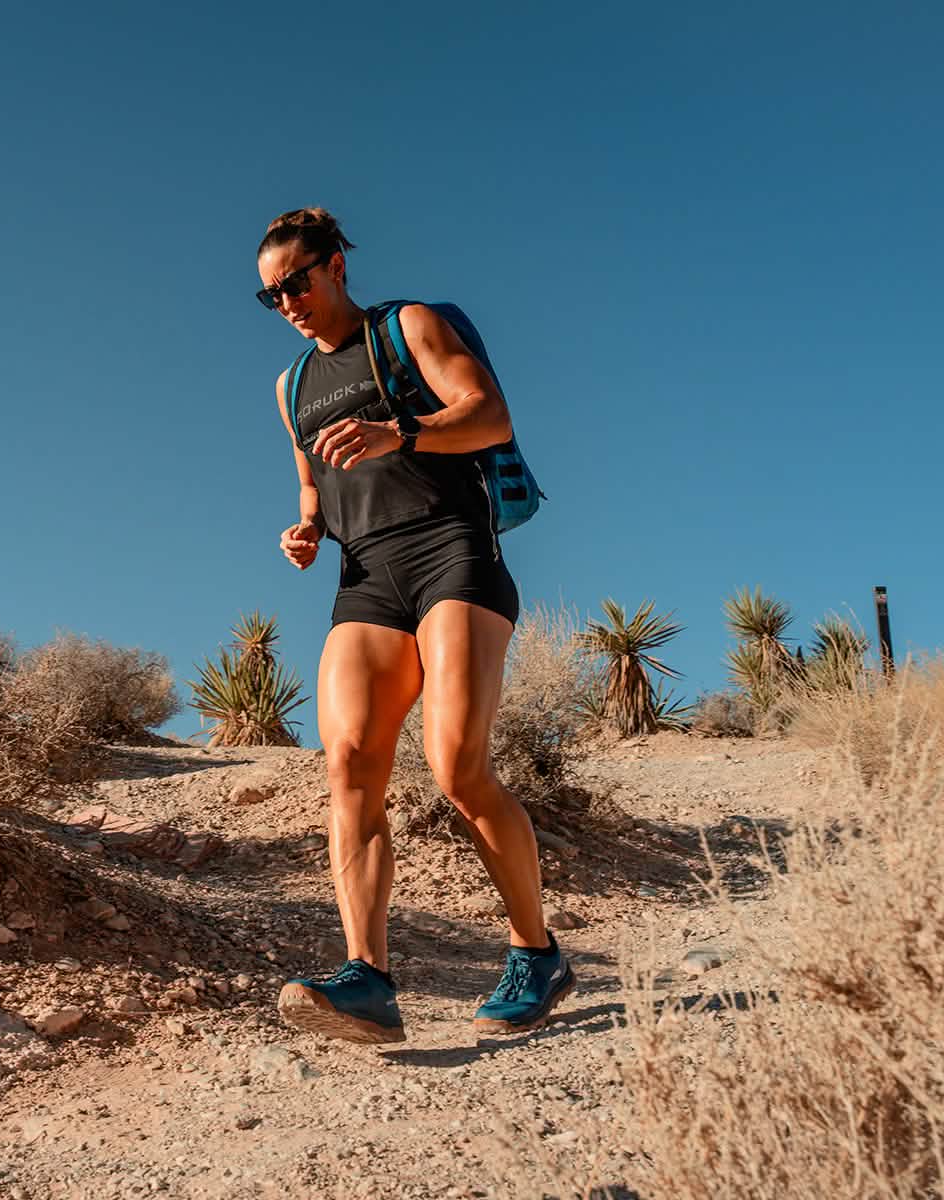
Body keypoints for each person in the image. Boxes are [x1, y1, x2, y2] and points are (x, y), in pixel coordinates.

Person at [257, 207, 572, 1044]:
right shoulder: (291, 387)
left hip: (453, 553)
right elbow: (314, 484)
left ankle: (535, 952)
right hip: (365, 574)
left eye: (296, 281)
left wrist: (401, 429)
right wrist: (308, 530)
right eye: (270, 296)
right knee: (351, 760)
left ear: (335, 269)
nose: (286, 301)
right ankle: (368, 978)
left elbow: (489, 413)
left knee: (456, 767)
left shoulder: (409, 326)